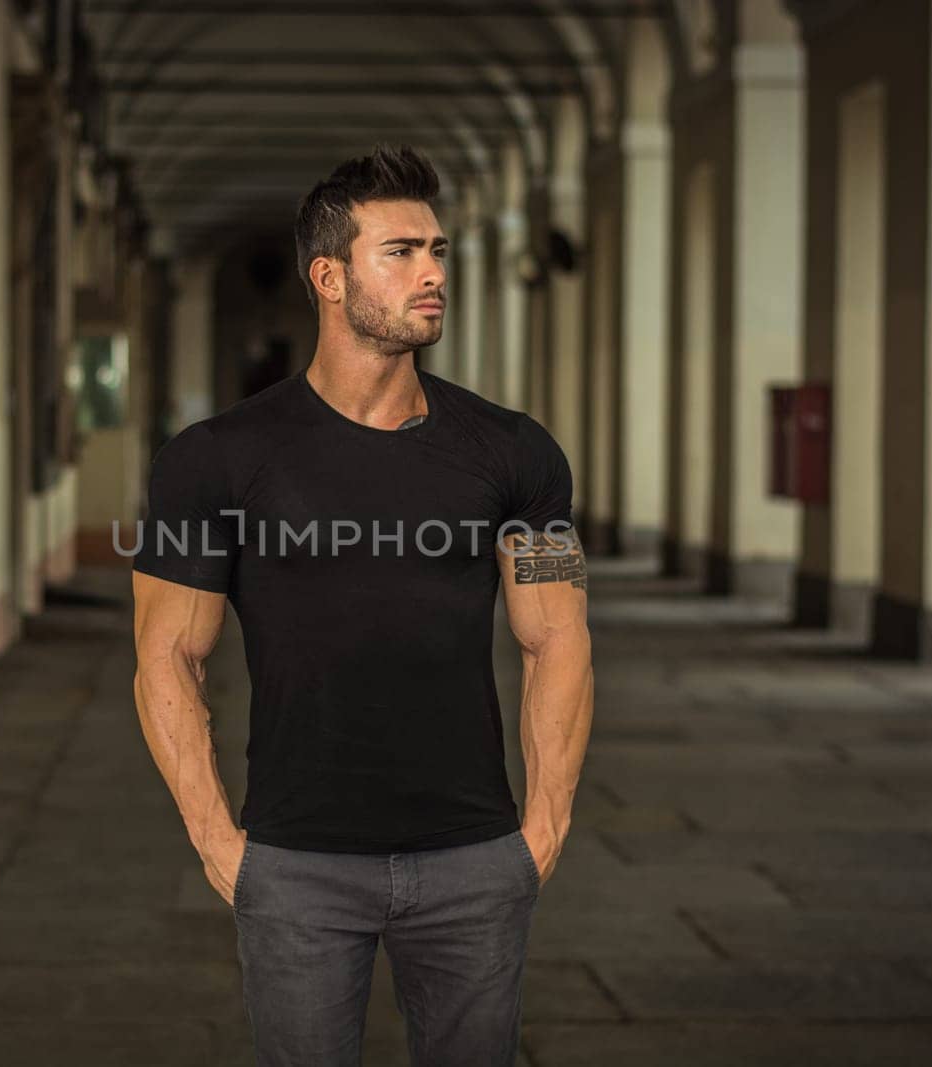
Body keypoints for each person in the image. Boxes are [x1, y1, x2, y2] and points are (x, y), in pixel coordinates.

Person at [130, 143, 594, 1066]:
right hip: (296, 864)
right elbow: (165, 655)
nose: (432, 274)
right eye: (402, 252)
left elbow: (559, 641)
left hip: (475, 860)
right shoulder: (215, 460)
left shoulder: (515, 453)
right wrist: (219, 840)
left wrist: (542, 828)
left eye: (439, 251)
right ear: (329, 277)